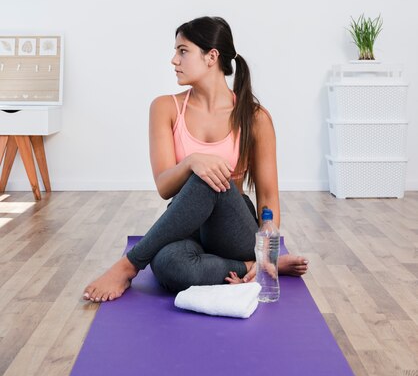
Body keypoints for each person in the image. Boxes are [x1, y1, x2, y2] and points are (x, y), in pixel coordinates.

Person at [83, 16, 308, 302]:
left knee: (207, 177)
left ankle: (128, 265)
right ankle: (252, 268)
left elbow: (267, 197)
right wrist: (192, 161)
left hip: (233, 229)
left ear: (211, 56)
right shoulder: (165, 107)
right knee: (167, 266)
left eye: (182, 51)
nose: (173, 60)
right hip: (187, 223)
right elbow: (165, 187)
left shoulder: (255, 117)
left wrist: (267, 243)